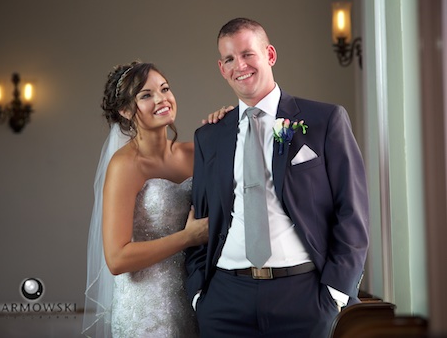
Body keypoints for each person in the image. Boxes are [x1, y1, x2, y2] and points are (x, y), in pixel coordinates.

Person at [186, 17, 370, 338]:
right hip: (225, 300)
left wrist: (336, 293)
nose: (239, 65)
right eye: (229, 59)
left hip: (305, 298)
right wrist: (200, 295)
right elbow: (201, 221)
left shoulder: (325, 120)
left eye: (247, 54)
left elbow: (352, 212)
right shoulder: (209, 136)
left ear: (270, 55)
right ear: (221, 68)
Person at [82, 61, 230, 338]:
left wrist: (226, 124)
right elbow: (116, 258)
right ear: (126, 111)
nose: (161, 99)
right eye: (146, 95)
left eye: (164, 89)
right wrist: (188, 237)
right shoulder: (125, 165)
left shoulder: (195, 153)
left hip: (195, 298)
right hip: (146, 308)